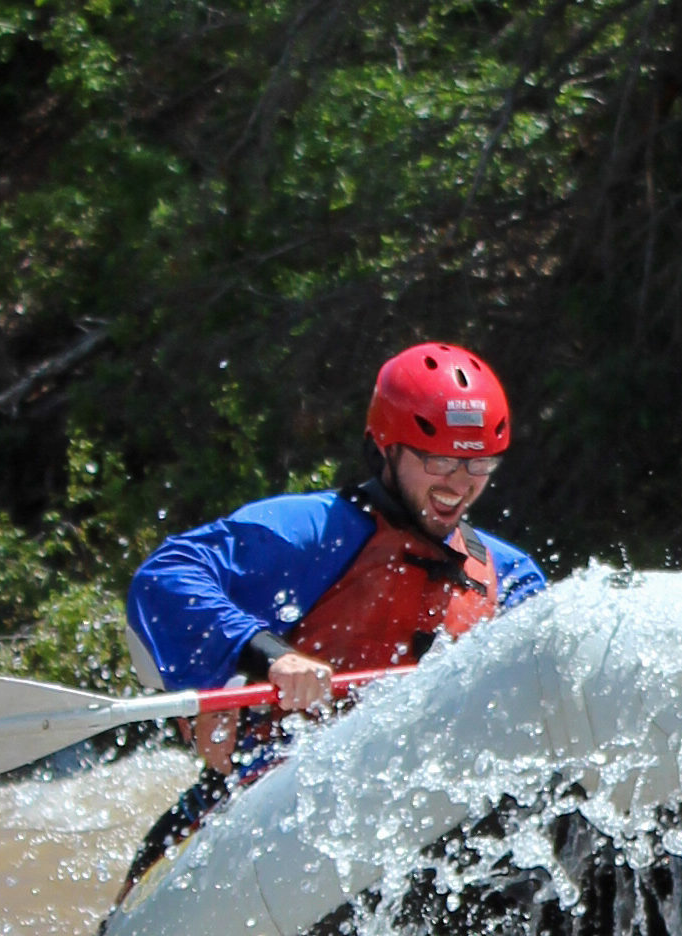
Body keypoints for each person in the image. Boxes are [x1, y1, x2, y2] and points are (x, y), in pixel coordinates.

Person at [122, 339, 549, 802]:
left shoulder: (508, 576)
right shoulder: (314, 531)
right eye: (439, 460)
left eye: (479, 462)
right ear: (386, 450)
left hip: (428, 801)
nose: (461, 483)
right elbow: (165, 576)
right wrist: (270, 656)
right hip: (266, 802)